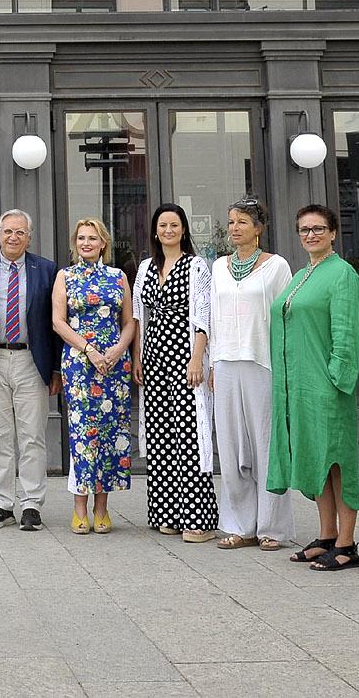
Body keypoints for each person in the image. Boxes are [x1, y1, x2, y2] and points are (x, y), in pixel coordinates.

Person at [271, 204, 359, 572]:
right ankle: (326, 535)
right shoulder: (302, 274)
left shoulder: (341, 274)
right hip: (299, 386)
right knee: (318, 462)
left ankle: (347, 543)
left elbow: (347, 332)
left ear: (332, 233)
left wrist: (336, 380)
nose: (310, 235)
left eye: (318, 229)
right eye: (304, 229)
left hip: (327, 387)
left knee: (338, 462)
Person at [0, 209, 60, 533]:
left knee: (32, 437)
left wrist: (56, 369)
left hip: (32, 361)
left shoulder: (46, 270)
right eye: (8, 232)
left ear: (29, 237)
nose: (13, 237)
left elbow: (55, 324)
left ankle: (32, 504)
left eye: (20, 232)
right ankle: (2, 503)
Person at [208, 197, 294, 551]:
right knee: (229, 447)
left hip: (262, 362)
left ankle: (272, 527)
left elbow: (286, 318)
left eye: (242, 221)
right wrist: (212, 361)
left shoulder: (276, 267)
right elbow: (212, 317)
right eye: (231, 222)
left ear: (258, 227)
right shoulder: (218, 267)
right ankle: (240, 524)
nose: (235, 228)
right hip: (226, 362)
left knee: (265, 445)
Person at [132, 203, 219, 543]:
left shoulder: (196, 266)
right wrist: (138, 356)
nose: (168, 230)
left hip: (185, 352)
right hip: (153, 356)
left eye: (174, 224)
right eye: (162, 225)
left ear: (184, 229)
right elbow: (140, 315)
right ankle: (167, 512)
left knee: (189, 435)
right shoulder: (145, 268)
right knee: (159, 435)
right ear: (155, 231)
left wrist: (197, 359)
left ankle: (198, 519)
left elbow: (203, 315)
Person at [51, 217, 134, 535]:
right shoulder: (65, 276)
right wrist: (90, 350)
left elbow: (129, 321)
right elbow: (59, 322)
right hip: (81, 364)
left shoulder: (118, 277)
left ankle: (103, 510)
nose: (86, 242)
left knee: (111, 437)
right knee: (84, 436)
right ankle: (79, 509)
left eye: (93, 238)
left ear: (103, 243)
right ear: (75, 243)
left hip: (114, 365)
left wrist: (116, 351)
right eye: (81, 238)